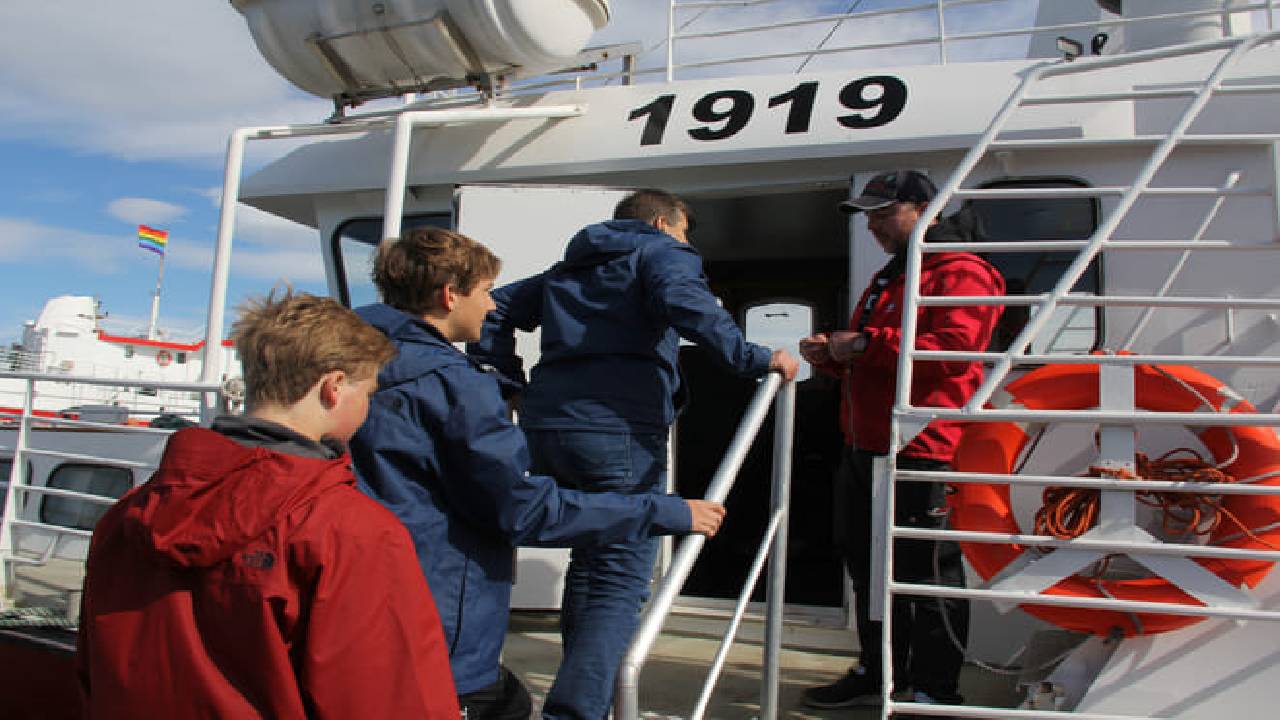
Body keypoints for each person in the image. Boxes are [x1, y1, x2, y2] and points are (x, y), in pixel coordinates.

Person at [350, 226, 727, 720]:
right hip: (438, 629)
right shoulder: (454, 386)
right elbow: (521, 510)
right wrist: (666, 511)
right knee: (610, 582)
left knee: (514, 697)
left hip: (363, 608)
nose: (490, 307)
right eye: (484, 292)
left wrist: (506, 381)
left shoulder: (345, 364)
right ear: (448, 296)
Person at [470, 189, 800, 719]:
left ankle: (585, 701)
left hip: (547, 426)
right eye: (686, 232)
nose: (688, 243)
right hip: (618, 431)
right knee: (618, 575)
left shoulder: (570, 266)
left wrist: (505, 381)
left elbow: (496, 309)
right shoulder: (660, 251)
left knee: (591, 561)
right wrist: (755, 358)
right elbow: (689, 306)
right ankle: (576, 712)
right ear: (663, 221)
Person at [76, 290, 459, 719]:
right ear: (333, 388)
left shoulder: (129, 512)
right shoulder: (349, 531)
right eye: (367, 392)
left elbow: (96, 666)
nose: (367, 407)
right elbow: (387, 699)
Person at [798, 171, 1004, 710]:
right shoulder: (895, 275)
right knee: (866, 565)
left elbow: (953, 349)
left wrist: (861, 345)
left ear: (922, 209)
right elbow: (879, 357)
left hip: (922, 445)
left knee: (927, 571)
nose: (872, 225)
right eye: (868, 215)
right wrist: (836, 357)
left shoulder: (962, 271)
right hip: (866, 444)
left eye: (883, 213)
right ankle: (879, 670)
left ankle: (936, 689)